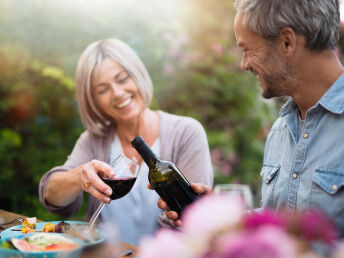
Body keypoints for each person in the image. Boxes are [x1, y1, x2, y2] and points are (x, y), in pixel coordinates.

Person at [159, 0, 344, 237]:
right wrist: (218, 216)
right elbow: (275, 221)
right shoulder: (281, 130)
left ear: (287, 42)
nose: (244, 64)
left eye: (247, 49)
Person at [38, 38, 213, 245]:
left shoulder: (186, 133)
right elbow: (51, 196)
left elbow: (194, 222)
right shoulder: (94, 140)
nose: (118, 93)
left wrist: (198, 216)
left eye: (122, 79)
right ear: (93, 100)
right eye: (103, 90)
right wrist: (78, 176)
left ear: (137, 75)